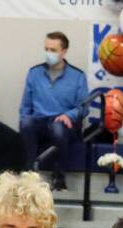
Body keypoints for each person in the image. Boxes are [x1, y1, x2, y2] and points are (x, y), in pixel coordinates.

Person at [19, 31, 88, 191]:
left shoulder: (77, 76)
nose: (48, 53)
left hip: (64, 124)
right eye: (46, 49)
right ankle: (29, 174)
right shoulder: (34, 73)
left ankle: (59, 177)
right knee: (26, 123)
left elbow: (84, 108)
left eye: (53, 50)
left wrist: (68, 115)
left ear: (63, 51)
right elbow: (25, 106)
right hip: (40, 121)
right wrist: (24, 119)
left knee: (58, 128)